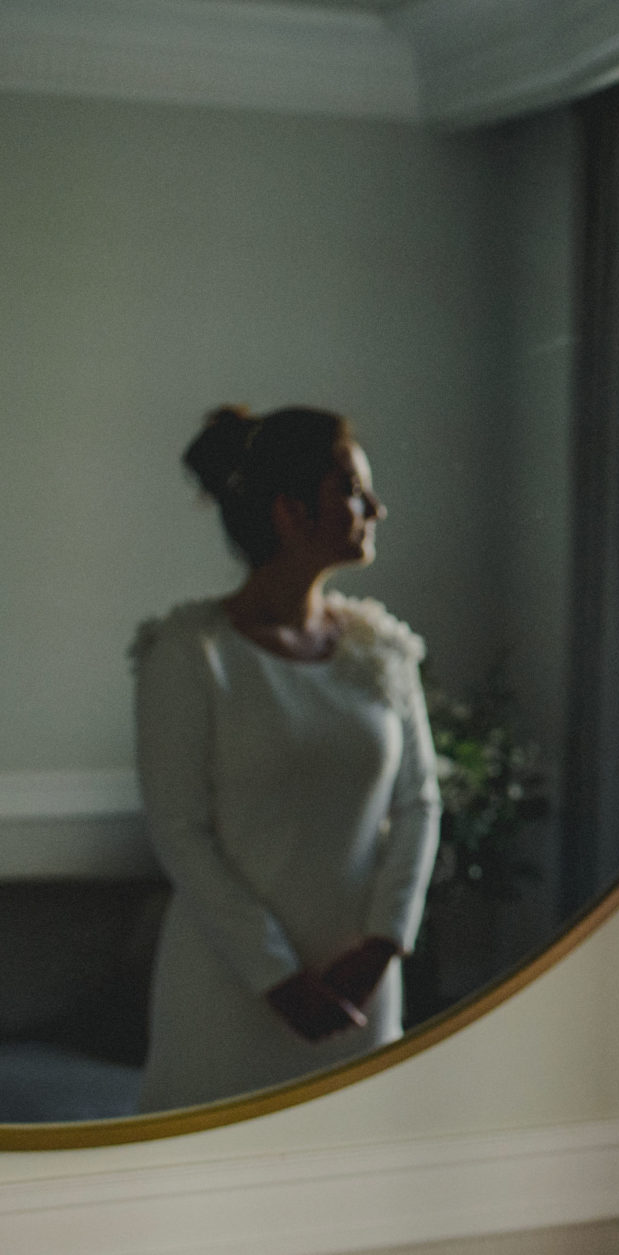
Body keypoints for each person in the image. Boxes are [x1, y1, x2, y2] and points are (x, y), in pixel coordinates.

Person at [129, 405, 440, 1113]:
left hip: (358, 993)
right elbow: (180, 830)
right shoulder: (188, 654)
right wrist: (277, 976)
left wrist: (384, 943)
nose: (376, 508)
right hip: (229, 992)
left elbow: (420, 801)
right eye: (353, 492)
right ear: (290, 510)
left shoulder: (380, 649)